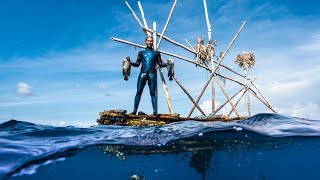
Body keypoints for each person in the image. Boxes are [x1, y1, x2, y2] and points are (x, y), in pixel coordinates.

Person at [130, 36, 167, 115]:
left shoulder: (156, 53)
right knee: (138, 92)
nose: (150, 42)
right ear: (145, 42)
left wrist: (167, 64)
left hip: (152, 74)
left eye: (151, 41)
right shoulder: (141, 53)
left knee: (153, 93)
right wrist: (130, 63)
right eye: (148, 41)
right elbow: (137, 64)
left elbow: (160, 64)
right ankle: (134, 111)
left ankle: (155, 112)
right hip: (142, 73)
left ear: (152, 42)